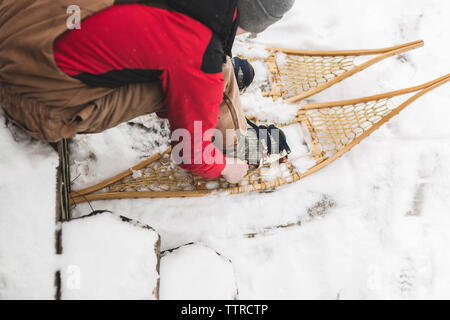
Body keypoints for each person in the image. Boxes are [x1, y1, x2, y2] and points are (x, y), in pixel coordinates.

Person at [0, 0, 295, 183]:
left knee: (184, 56)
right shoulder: (199, 50)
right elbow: (189, 154)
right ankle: (232, 143)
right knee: (206, 74)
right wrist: (223, 168)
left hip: (18, 18)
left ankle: (211, 82)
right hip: (32, 98)